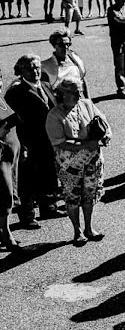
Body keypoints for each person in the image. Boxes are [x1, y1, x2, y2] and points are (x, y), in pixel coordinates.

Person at [45, 78, 111, 245]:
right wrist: (86, 144)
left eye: (79, 91)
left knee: (90, 193)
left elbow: (103, 121)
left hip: (92, 160)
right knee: (72, 196)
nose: (78, 95)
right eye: (74, 92)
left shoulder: (86, 104)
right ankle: (77, 231)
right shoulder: (54, 115)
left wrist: (107, 135)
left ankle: (89, 228)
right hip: (69, 165)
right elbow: (59, 143)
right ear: (63, 94)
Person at [6, 55, 59, 225]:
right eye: (29, 68)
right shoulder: (15, 92)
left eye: (37, 67)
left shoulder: (46, 85)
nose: (35, 71)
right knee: (28, 179)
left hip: (48, 140)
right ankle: (27, 215)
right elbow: (13, 119)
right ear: (20, 71)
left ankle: (48, 207)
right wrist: (21, 144)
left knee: (48, 174)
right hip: (28, 141)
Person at [0, 70, 21, 249]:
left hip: (10, 154)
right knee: (5, 197)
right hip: (0, 158)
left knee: (11, 194)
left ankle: (2, 231)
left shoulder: (1, 100)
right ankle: (6, 233)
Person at [42, 29, 88, 97]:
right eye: (62, 45)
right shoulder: (47, 66)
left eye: (68, 44)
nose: (66, 47)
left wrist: (89, 101)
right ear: (54, 46)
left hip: (78, 100)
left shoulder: (75, 59)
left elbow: (83, 80)